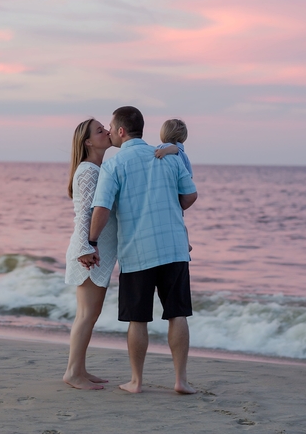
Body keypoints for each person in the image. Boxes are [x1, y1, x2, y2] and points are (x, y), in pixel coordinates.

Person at [79, 106, 197, 394]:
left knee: (138, 318)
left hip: (138, 251)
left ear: (121, 131)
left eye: (110, 127)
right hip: (174, 248)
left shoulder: (115, 165)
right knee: (177, 314)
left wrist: (91, 242)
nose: (108, 131)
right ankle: (180, 380)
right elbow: (189, 197)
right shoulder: (168, 156)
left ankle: (136, 381)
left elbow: (102, 208)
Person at [63, 118, 118, 390]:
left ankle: (80, 369)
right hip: (89, 252)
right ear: (87, 142)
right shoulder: (88, 171)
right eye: (100, 131)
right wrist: (86, 248)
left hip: (95, 250)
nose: (107, 132)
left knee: (90, 313)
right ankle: (73, 373)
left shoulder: (97, 169)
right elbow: (84, 212)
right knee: (86, 314)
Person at [154, 118, 193, 251]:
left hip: (161, 192)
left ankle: (185, 244)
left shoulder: (157, 148)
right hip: (175, 193)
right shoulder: (179, 152)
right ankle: (185, 244)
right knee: (179, 222)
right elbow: (189, 177)